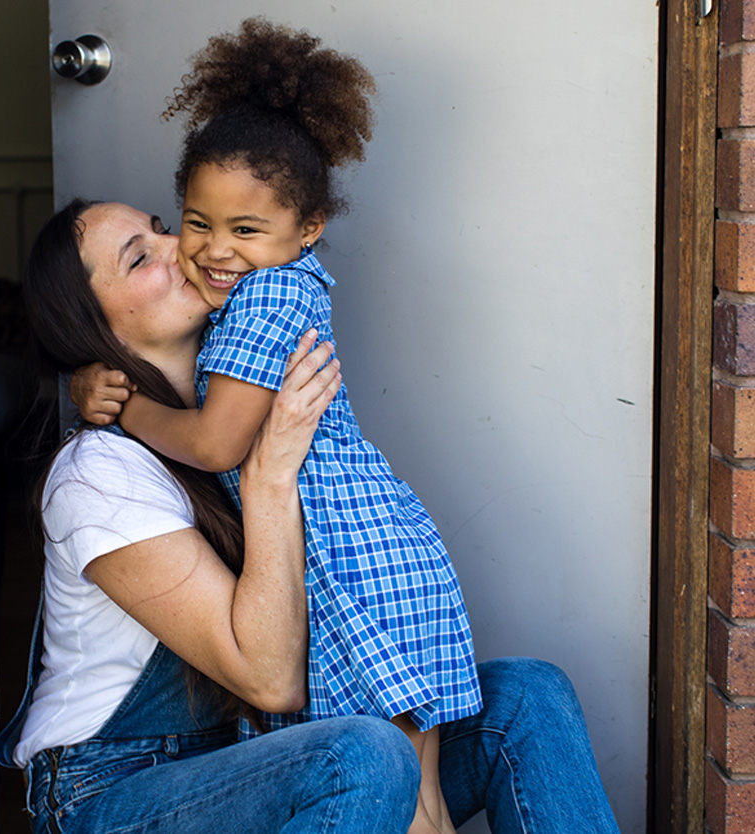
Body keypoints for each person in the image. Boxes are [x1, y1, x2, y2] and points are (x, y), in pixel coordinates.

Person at [0, 198, 621, 834]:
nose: (175, 248)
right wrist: (269, 476)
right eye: (139, 259)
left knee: (526, 698)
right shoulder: (98, 474)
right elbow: (268, 681)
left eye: (161, 228)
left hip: (254, 757)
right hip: (116, 791)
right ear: (92, 327)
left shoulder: (233, 386)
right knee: (362, 756)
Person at [70, 19, 474, 834]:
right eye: (196, 221)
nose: (214, 250)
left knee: (406, 805)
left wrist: (130, 409)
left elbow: (218, 443)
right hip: (387, 558)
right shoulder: (279, 289)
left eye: (246, 231)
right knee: (417, 802)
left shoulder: (266, 299)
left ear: (309, 228)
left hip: (353, 569)